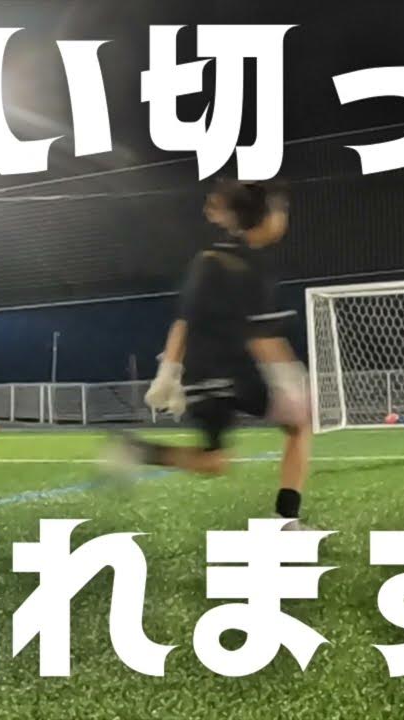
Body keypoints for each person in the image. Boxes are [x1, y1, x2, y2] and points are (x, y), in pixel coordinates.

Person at [104, 179, 313, 528]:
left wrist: (168, 373)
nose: (283, 218)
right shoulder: (253, 266)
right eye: (281, 211)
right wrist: (290, 377)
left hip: (202, 377)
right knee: (300, 426)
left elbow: (184, 320)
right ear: (264, 217)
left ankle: (137, 450)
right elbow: (259, 335)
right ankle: (286, 521)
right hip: (240, 372)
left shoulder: (208, 259)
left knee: (214, 461)